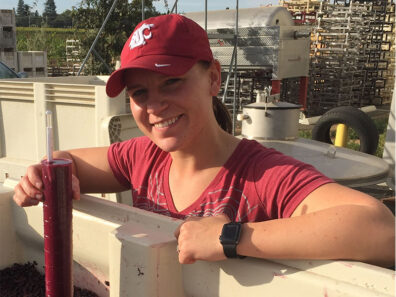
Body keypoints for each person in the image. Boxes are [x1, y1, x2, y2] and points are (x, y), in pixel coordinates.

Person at [13, 14, 394, 267]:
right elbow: (69, 161)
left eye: (171, 82)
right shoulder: (142, 157)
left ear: (213, 78)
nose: (155, 105)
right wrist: (45, 172)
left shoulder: (263, 175)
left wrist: (233, 236)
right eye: (139, 93)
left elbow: (379, 227)